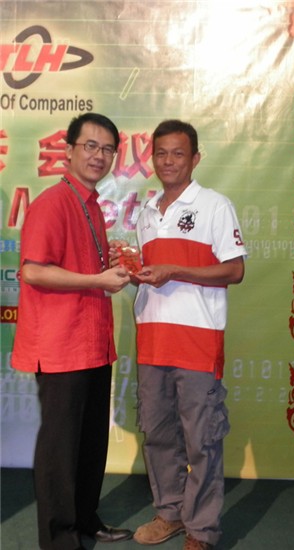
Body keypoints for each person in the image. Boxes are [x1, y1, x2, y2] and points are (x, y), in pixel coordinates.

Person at [11, 113, 133, 550]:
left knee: (90, 444)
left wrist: (109, 267)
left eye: (107, 149)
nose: (99, 155)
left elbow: (78, 266)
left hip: (93, 343)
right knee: (60, 451)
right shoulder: (52, 203)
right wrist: (97, 279)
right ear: (68, 150)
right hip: (61, 346)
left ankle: (85, 520)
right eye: (90, 146)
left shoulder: (92, 205)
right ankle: (59, 539)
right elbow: (33, 271)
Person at [130, 119, 246, 550]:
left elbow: (235, 270)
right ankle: (170, 513)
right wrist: (133, 274)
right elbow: (153, 274)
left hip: (197, 344)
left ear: (195, 158)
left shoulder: (215, 205)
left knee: (202, 441)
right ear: (152, 158)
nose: (169, 161)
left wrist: (176, 270)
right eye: (161, 153)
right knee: (159, 434)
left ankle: (201, 530)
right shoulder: (146, 212)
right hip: (152, 343)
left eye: (178, 153)